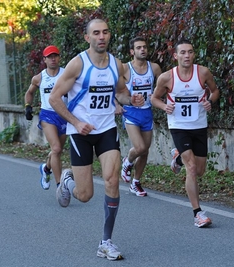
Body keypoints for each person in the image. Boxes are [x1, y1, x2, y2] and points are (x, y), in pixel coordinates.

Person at [49, 19, 143, 260]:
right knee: (85, 195)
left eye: (105, 32)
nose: (101, 37)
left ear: (109, 36)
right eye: (96, 33)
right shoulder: (77, 64)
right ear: (87, 37)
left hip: (106, 130)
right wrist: (76, 122)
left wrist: (130, 99)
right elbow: (55, 98)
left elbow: (120, 91)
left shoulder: (116, 64)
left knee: (112, 180)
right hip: (80, 134)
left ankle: (106, 241)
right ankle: (67, 181)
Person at [151, 38, 220, 228]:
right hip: (178, 125)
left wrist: (210, 102)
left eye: (190, 52)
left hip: (199, 125)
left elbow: (215, 91)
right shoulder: (166, 77)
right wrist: (165, 106)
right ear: (176, 56)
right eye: (182, 52)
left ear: (194, 54)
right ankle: (198, 213)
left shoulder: (203, 72)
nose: (187, 56)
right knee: (191, 168)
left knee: (199, 170)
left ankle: (178, 158)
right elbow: (154, 98)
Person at [120, 36, 162, 197]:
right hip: (131, 112)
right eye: (138, 47)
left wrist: (157, 95)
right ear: (132, 51)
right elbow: (114, 88)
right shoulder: (125, 69)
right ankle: (127, 162)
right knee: (139, 148)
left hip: (147, 112)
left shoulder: (155, 68)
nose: (142, 50)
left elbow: (164, 85)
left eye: (144, 47)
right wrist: (117, 104)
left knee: (145, 152)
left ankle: (135, 183)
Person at [24, 45, 67, 191]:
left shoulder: (67, 74)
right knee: (55, 148)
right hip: (47, 115)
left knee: (57, 151)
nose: (53, 59)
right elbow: (29, 93)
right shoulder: (39, 78)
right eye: (50, 56)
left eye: (55, 56)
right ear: (45, 60)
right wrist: (28, 106)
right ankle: (60, 185)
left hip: (64, 115)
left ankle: (46, 169)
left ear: (59, 57)